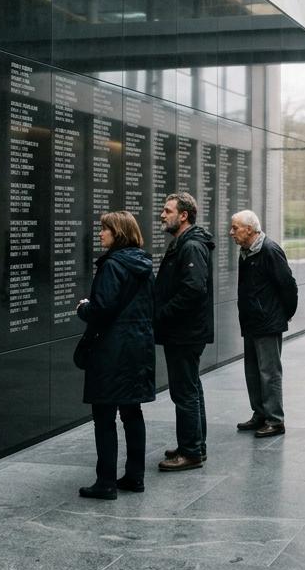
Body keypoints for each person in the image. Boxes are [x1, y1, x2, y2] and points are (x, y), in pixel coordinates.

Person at [76, 211, 156, 499]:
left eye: (105, 230)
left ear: (118, 233)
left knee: (105, 415)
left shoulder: (112, 265)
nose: (100, 234)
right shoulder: (144, 265)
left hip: (111, 349)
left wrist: (83, 308)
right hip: (138, 347)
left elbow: (102, 309)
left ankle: (106, 482)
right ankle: (135, 476)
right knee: (132, 412)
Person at [153, 192, 214, 472]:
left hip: (185, 331)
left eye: (167, 211)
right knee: (190, 388)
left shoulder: (190, 247)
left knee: (185, 391)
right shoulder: (185, 244)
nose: (162, 215)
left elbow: (192, 289)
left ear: (184, 215)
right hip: (186, 330)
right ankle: (194, 445)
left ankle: (190, 452)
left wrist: (162, 314)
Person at [229, 210, 298, 439]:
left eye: (235, 228)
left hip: (268, 322)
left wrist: (283, 315)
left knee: (269, 372)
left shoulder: (269, 250)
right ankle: (259, 413)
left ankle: (275, 420)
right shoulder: (246, 252)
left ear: (249, 229)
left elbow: (288, 286)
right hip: (251, 321)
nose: (231, 233)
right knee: (252, 371)